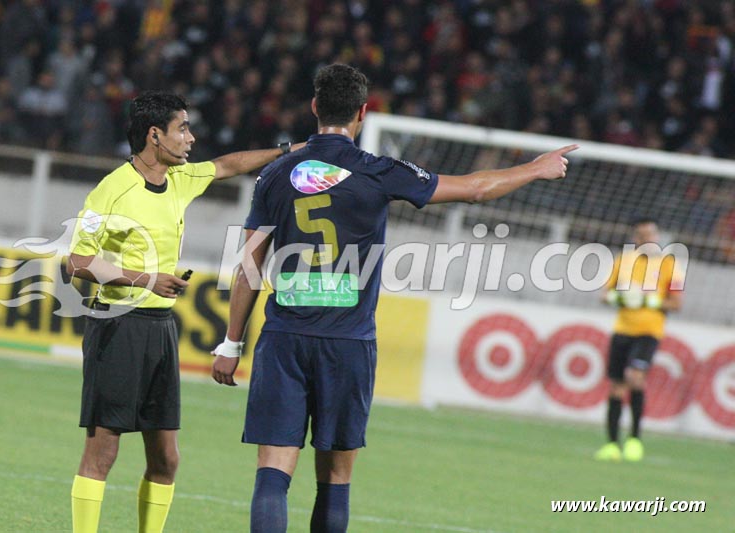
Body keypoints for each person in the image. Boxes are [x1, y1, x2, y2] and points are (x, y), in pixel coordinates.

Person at [210, 63, 577, 533]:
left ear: (315, 107)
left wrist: (231, 343)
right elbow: (476, 189)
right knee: (336, 477)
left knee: (273, 471)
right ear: (364, 112)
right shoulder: (379, 171)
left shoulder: (275, 174)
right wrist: (536, 167)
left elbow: (248, 265)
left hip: (284, 338)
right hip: (348, 343)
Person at [66, 90, 302, 533]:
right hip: (116, 325)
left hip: (160, 330)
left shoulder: (180, 179)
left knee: (166, 459)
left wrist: (288, 152)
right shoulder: (112, 190)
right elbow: (76, 262)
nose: (191, 139)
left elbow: (230, 164)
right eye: (183, 129)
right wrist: (146, 280)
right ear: (155, 135)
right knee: (103, 454)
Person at [595, 219, 684, 463]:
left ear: (657, 236)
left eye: (651, 235)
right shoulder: (622, 262)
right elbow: (604, 295)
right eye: (642, 236)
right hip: (623, 329)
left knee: (635, 378)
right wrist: (622, 298)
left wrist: (648, 301)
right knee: (616, 387)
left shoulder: (669, 265)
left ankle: (634, 439)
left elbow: (676, 303)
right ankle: (612, 445)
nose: (647, 240)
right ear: (636, 238)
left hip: (649, 332)